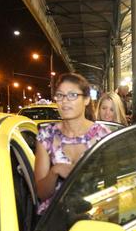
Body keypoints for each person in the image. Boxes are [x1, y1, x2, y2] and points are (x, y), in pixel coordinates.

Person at [36, 73, 110, 214]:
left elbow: (113, 183)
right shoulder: (46, 136)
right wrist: (55, 171)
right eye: (60, 95)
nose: (65, 101)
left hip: (95, 217)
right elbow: (41, 193)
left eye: (72, 95)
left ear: (87, 99)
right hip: (54, 221)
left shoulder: (102, 135)